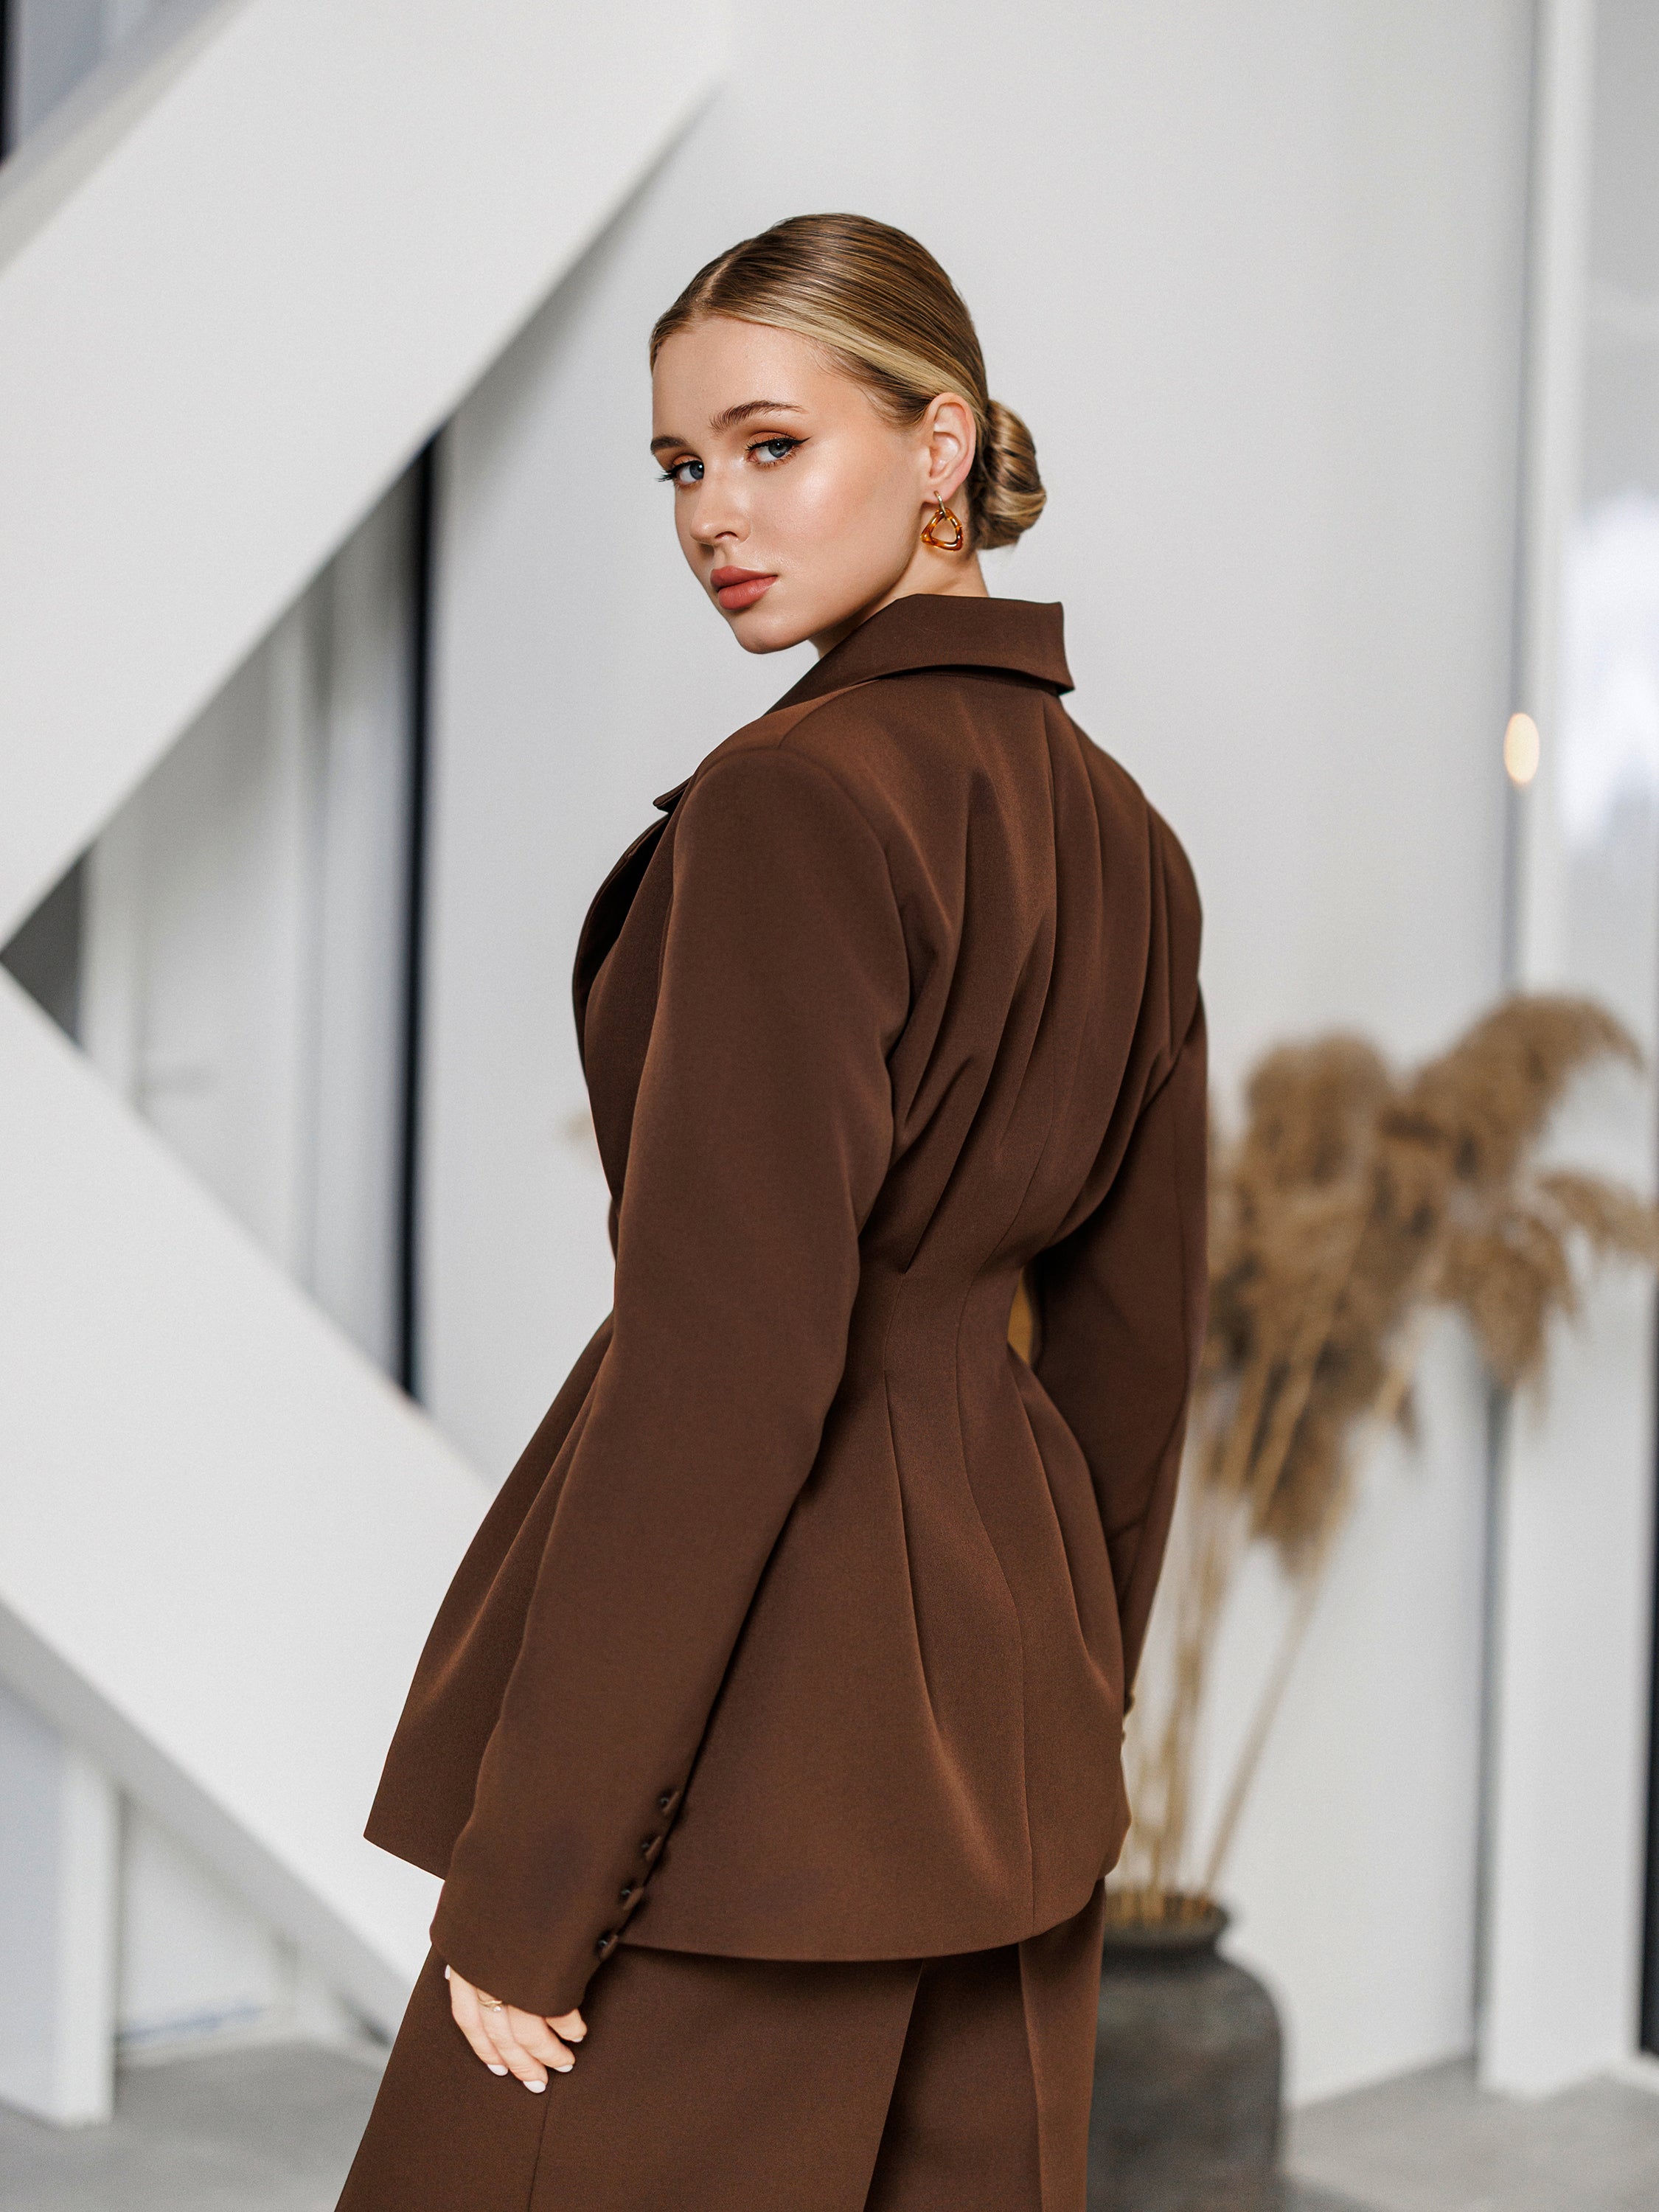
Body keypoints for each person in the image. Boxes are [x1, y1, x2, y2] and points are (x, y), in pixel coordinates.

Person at [336, 212, 1206, 2212]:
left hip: (755, 1746)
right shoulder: (1129, 840)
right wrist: (1065, 1713)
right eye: (677, 466)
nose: (710, 515)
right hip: (998, 1734)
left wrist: (537, 1884)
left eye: (768, 445)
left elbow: (724, 1374)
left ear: (938, 442)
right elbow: (1134, 1364)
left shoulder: (794, 801)